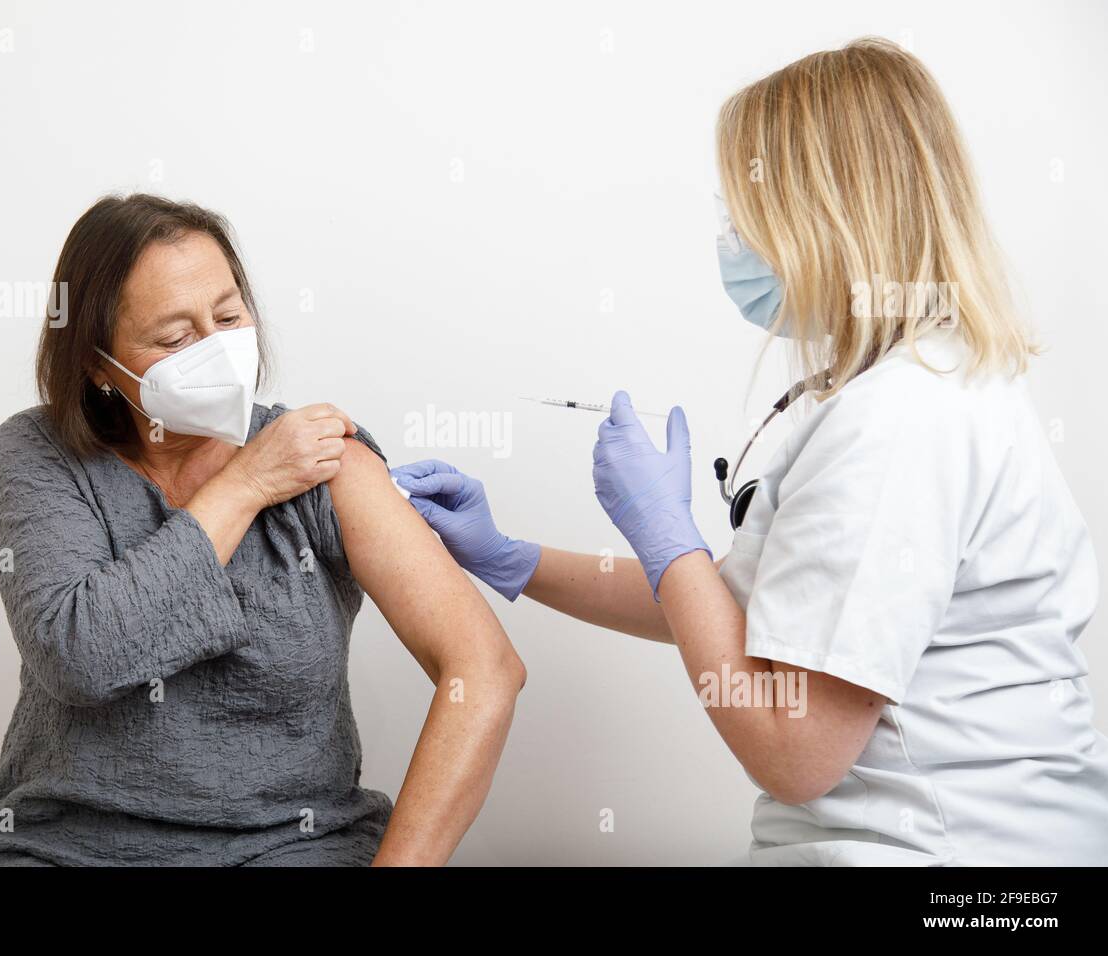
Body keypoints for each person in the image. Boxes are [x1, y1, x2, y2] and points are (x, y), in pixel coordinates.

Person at [393, 38, 1108, 865]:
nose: (732, 239)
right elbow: (735, 606)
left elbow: (794, 752)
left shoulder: (902, 422)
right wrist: (512, 557)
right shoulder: (910, 391)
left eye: (747, 212)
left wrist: (667, 533)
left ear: (833, 212)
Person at [0, 194, 525, 866]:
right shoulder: (41, 453)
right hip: (67, 845)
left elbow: (483, 669)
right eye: (176, 338)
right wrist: (247, 484)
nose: (218, 350)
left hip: (288, 844)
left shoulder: (325, 460)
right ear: (100, 366)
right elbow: (83, 656)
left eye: (227, 316)